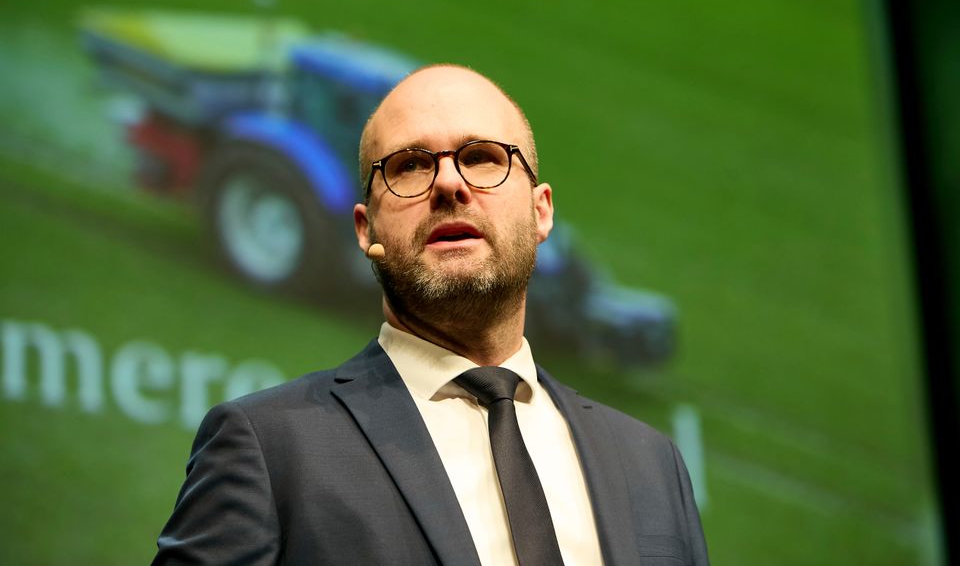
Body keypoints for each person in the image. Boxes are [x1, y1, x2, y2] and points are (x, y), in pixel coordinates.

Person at [153, 65, 710, 565]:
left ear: (542, 213)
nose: (449, 183)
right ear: (366, 231)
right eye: (411, 166)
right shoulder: (269, 449)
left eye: (483, 158)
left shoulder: (653, 467)